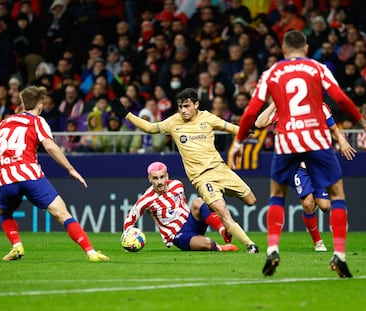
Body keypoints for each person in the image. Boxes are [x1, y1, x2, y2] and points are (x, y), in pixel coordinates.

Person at [229, 30, 366, 278]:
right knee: (337, 196)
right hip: (316, 139)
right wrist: (361, 121)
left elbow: (251, 112)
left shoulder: (271, 73)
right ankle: (340, 255)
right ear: (305, 49)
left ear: (283, 49)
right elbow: (342, 99)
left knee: (276, 195)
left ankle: (272, 249)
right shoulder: (318, 68)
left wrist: (238, 142)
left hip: (287, 141)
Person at [111, 88, 259, 253]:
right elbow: (150, 128)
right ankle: (250, 245)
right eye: (180, 106)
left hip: (221, 169)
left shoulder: (207, 118)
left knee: (251, 200)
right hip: (202, 178)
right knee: (222, 210)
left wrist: (246, 130)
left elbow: (229, 127)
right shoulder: (174, 122)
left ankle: (218, 198)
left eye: (187, 106)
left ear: (196, 104)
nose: (183, 110)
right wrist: (126, 114)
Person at [0, 85, 109, 262]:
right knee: (62, 214)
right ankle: (90, 252)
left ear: (23, 104)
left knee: (4, 211)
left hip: (5, 178)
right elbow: (49, 145)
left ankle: (17, 246)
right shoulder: (38, 121)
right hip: (30, 175)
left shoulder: (5, 122)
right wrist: (70, 169)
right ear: (40, 105)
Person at [254, 102, 357, 252]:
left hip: (317, 163)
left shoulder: (321, 107)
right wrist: (275, 103)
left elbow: (333, 128)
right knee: (308, 204)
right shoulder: (287, 107)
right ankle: (318, 242)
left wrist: (342, 141)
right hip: (298, 164)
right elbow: (259, 123)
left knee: (325, 206)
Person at [123, 162, 237, 251]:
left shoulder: (177, 185)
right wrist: (127, 238)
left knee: (198, 201)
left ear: (167, 176)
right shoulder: (146, 200)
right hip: (177, 235)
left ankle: (222, 230)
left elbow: (184, 205)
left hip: (190, 223)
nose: (160, 182)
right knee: (207, 243)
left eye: (162, 177)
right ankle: (219, 248)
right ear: (150, 179)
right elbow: (131, 217)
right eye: (155, 178)